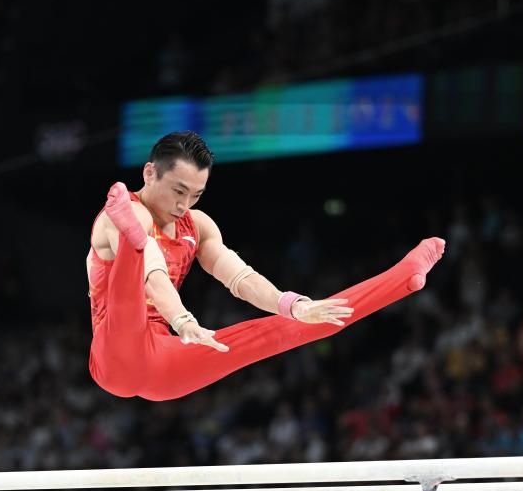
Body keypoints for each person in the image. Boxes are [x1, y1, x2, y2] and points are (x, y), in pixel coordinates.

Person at [87, 131, 445, 400]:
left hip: (165, 362)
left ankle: (401, 278)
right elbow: (154, 274)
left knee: (297, 325)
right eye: (179, 191)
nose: (184, 205)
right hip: (116, 354)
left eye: (196, 195)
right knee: (135, 259)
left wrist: (292, 306)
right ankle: (132, 242)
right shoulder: (128, 212)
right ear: (150, 172)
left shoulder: (198, 226)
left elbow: (240, 277)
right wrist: (183, 321)